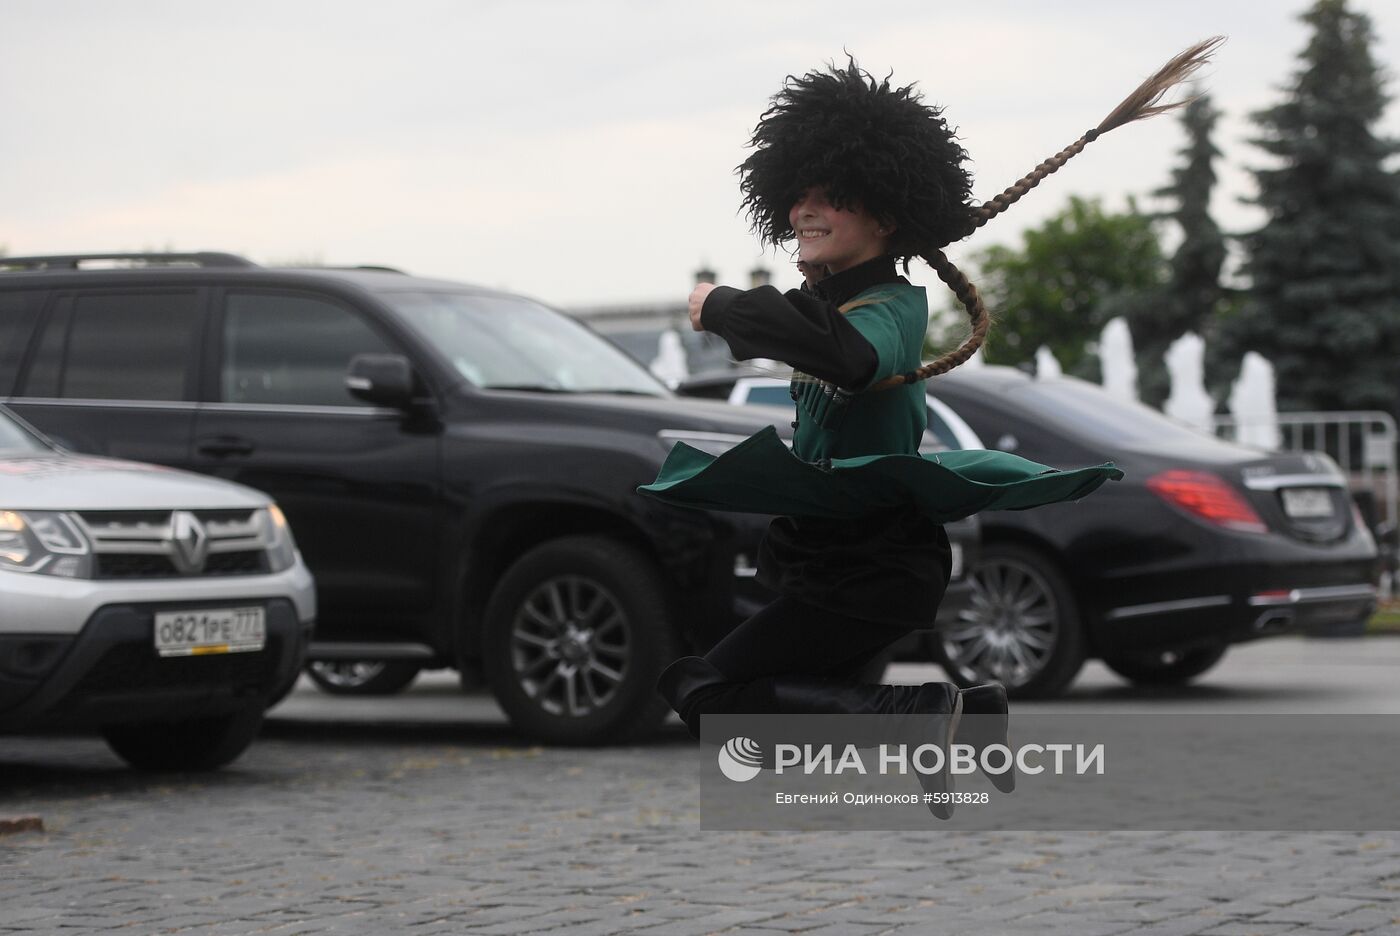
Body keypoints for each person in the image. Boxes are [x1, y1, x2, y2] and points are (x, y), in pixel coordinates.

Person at [637, 39, 1222, 819]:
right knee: (726, 695)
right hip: (834, 565)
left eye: (830, 194)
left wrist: (724, 307)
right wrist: (754, 318)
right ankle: (949, 722)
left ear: (882, 212)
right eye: (797, 193)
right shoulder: (832, 302)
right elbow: (806, 331)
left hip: (872, 569)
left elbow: (846, 359)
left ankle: (927, 720)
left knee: (705, 689)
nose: (803, 210)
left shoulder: (890, 308)